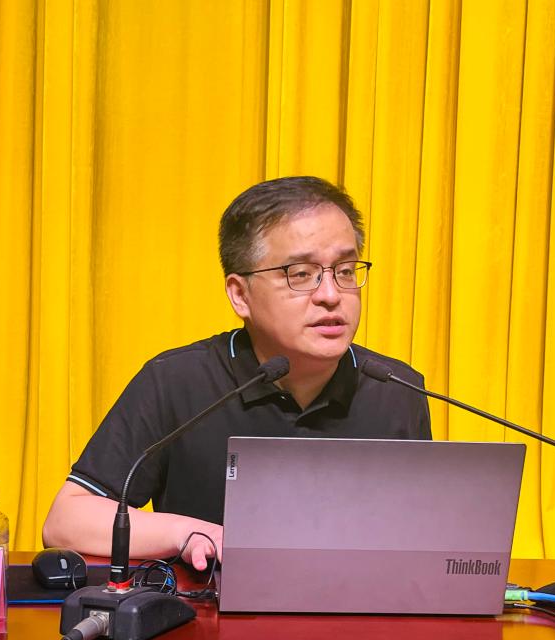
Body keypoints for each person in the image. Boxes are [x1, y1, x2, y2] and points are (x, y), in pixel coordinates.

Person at [42, 176, 431, 570]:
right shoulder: (178, 382)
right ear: (240, 295)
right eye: (301, 273)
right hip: (211, 607)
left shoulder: (396, 390)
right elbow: (67, 521)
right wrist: (189, 533)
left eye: (345, 271)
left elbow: (420, 541)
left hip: (357, 606)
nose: (331, 295)